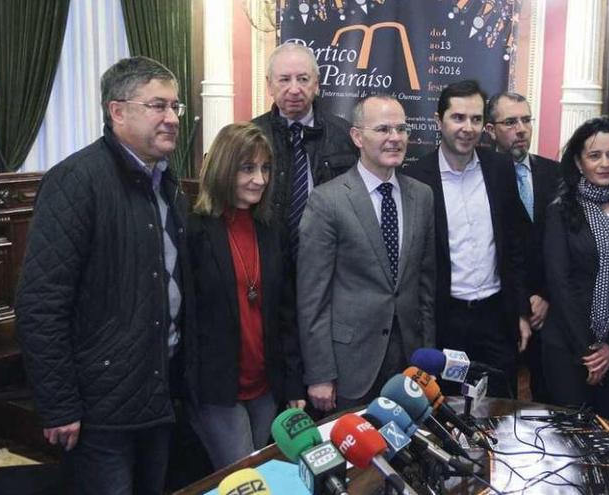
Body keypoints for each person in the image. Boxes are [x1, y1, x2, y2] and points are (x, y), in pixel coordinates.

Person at [15, 56, 193, 494]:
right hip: (100, 408)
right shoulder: (75, 181)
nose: (171, 119)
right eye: (158, 106)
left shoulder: (168, 183)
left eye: (176, 107)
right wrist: (58, 405)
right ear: (117, 111)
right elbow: (41, 303)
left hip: (158, 391)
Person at [297, 95, 436, 412]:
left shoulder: (422, 196)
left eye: (401, 129)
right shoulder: (327, 201)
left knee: (407, 456)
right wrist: (319, 373)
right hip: (352, 365)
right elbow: (312, 297)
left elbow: (426, 286)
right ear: (357, 137)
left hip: (409, 364)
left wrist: (426, 356)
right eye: (383, 129)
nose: (395, 138)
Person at [185, 123, 305, 469]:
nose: (260, 179)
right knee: (246, 478)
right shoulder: (195, 229)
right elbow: (187, 318)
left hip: (266, 386)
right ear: (224, 168)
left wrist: (293, 383)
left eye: (265, 168)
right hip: (218, 390)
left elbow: (286, 313)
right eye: (248, 168)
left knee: (265, 472)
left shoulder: (270, 229)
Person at [402, 80, 531, 398]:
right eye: (458, 118)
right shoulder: (417, 179)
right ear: (438, 121)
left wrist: (521, 311)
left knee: (500, 409)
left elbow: (516, 244)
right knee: (446, 409)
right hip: (446, 320)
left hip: (496, 317)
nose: (467, 128)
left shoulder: (500, 169)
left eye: (475, 119)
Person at [540, 116, 609, 426]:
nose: (605, 163)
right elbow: (560, 284)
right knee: (572, 441)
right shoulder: (560, 211)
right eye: (595, 155)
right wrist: (591, 351)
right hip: (567, 346)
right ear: (579, 162)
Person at [485, 91, 559, 402]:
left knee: (550, 403)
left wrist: (544, 295)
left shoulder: (556, 174)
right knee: (501, 405)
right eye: (511, 122)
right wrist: (520, 303)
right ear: (490, 130)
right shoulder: (480, 178)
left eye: (526, 120)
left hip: (551, 307)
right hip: (501, 309)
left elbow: (565, 245)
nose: (521, 129)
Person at [252, 42, 358, 256]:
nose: (294, 89)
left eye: (303, 79)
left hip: (330, 257)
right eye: (284, 79)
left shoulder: (345, 135)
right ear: (269, 85)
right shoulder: (250, 136)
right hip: (266, 257)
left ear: (317, 84)